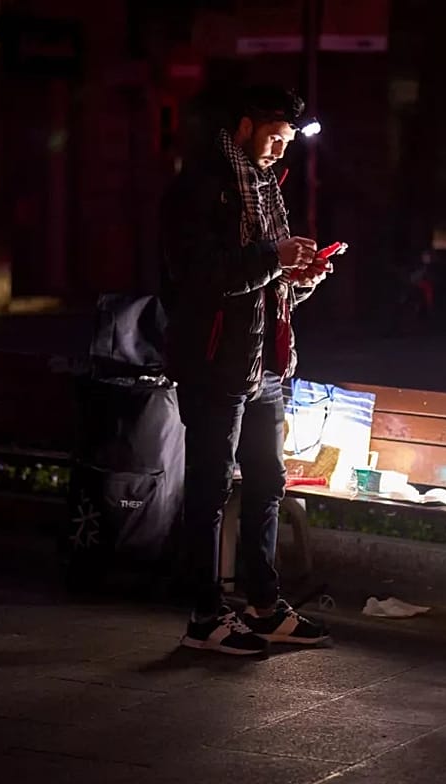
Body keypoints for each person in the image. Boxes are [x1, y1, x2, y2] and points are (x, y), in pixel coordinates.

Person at [163, 84, 333, 655]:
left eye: (289, 139)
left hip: (266, 364)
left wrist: (298, 279)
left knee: (267, 483)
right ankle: (204, 617)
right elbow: (204, 277)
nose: (282, 148)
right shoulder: (204, 185)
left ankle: (263, 603)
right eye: (275, 135)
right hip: (215, 363)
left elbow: (263, 286)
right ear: (244, 125)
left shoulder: (266, 186)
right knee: (209, 490)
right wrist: (273, 260)